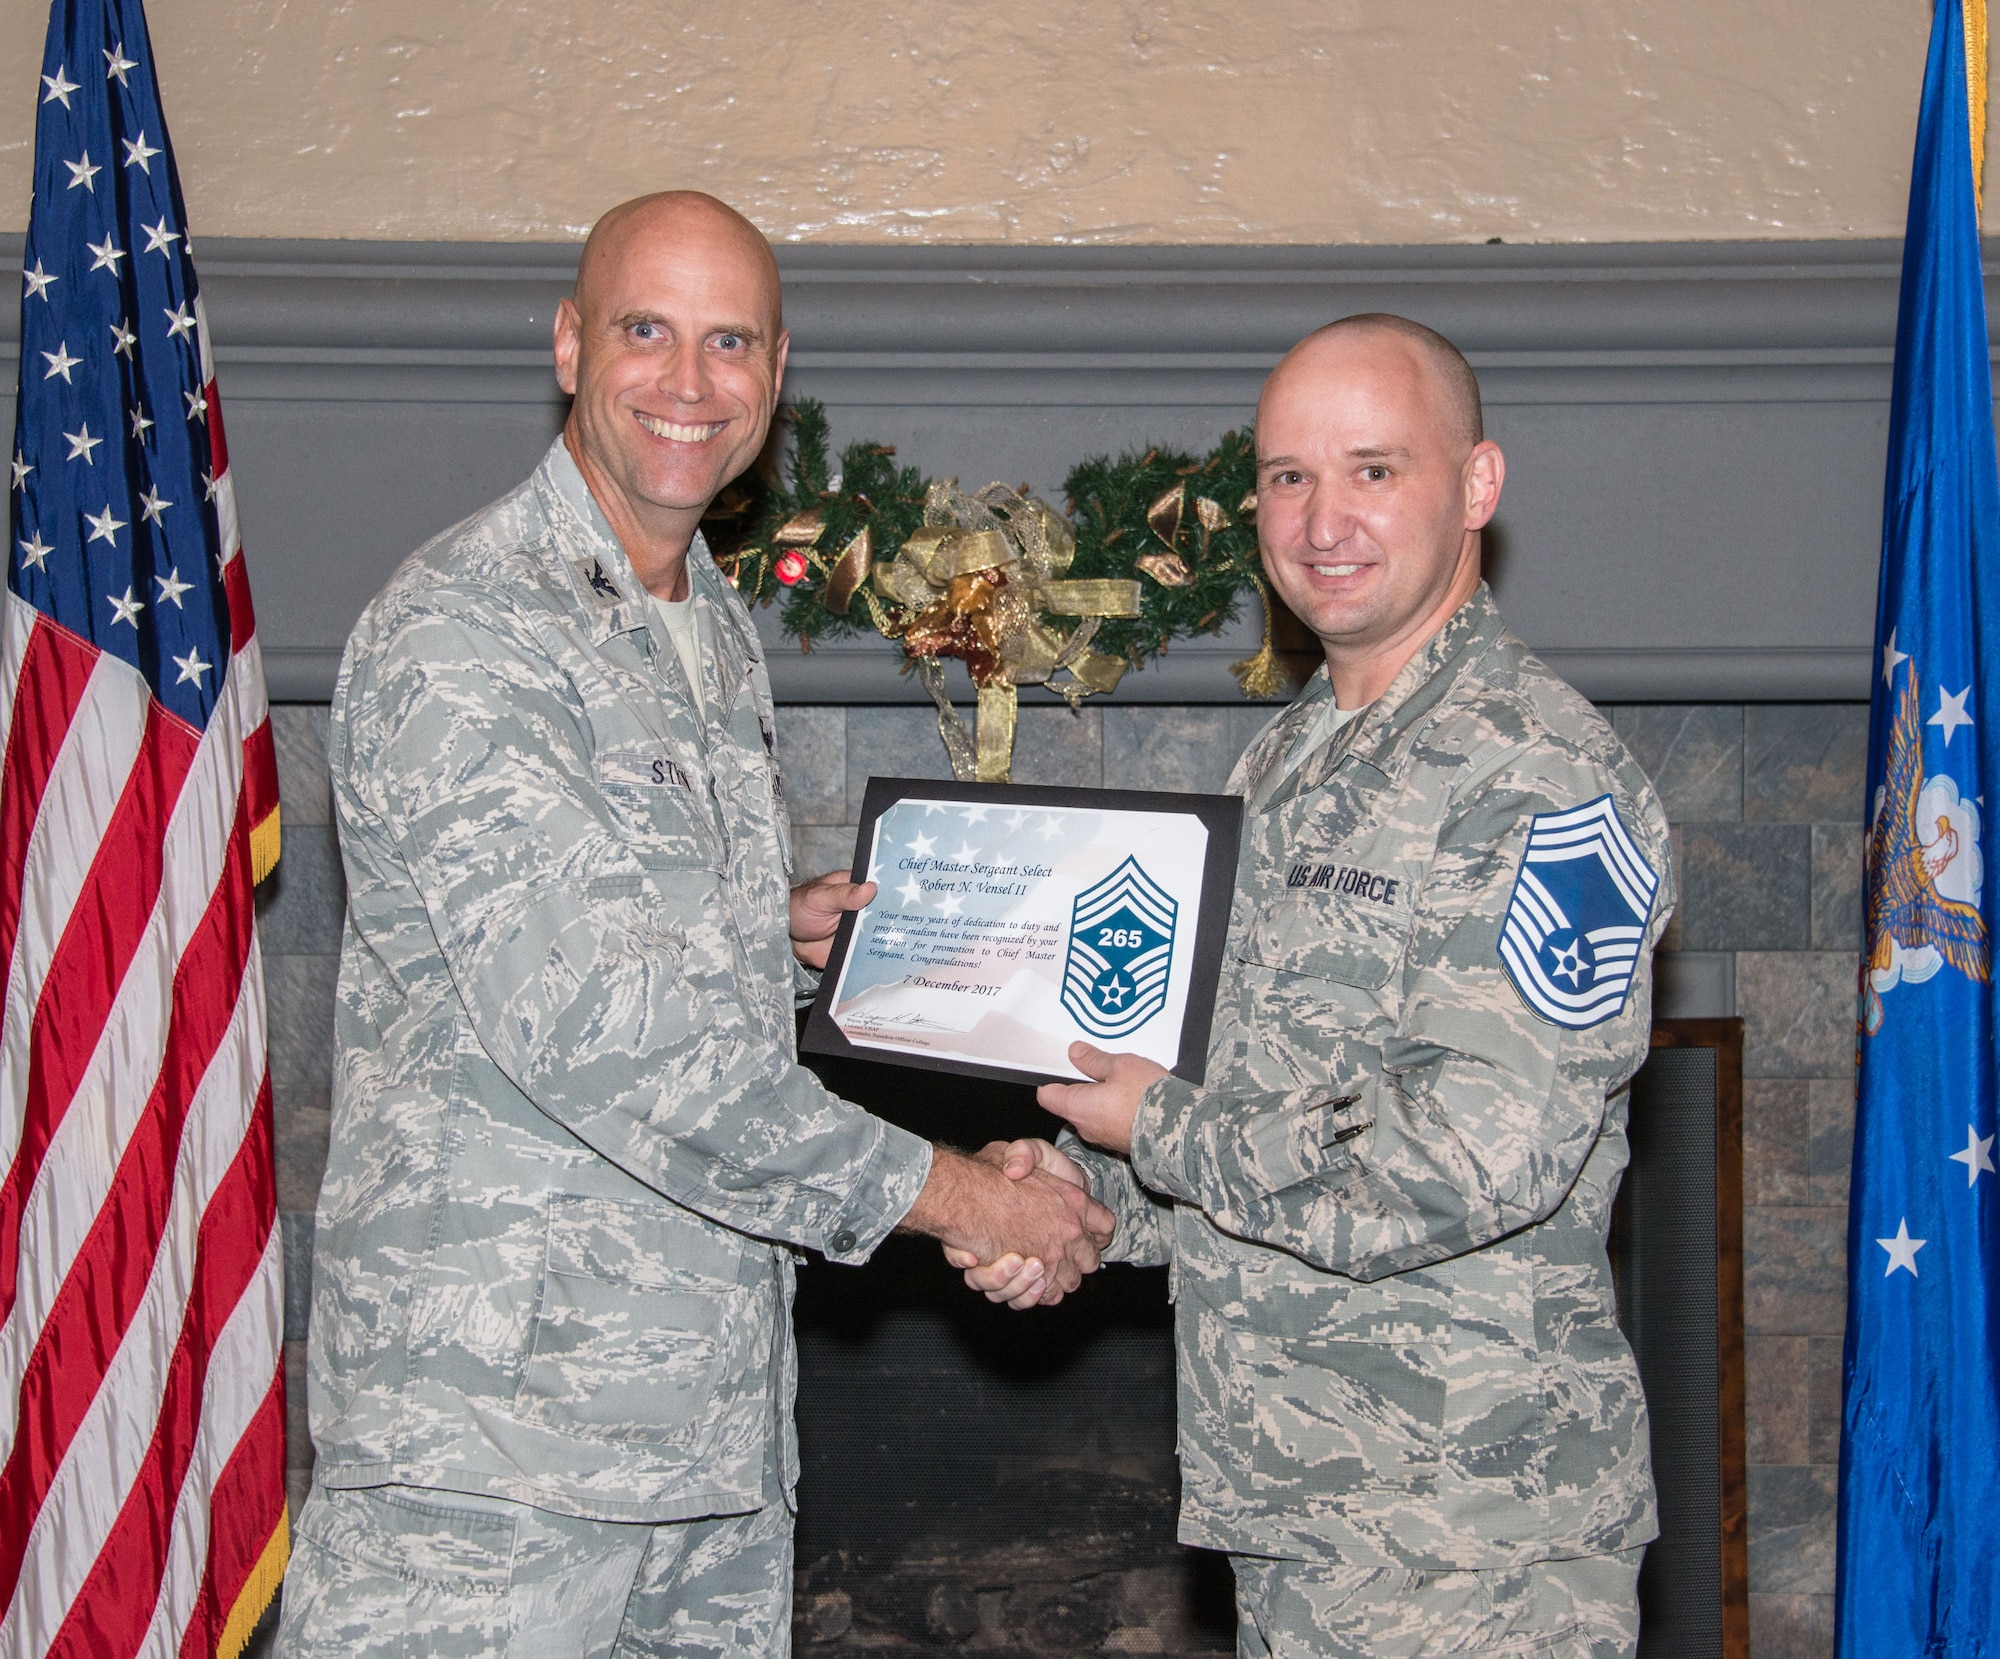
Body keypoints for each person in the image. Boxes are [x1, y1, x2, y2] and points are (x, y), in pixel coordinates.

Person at [277, 191, 1113, 1657]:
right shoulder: (470, 627)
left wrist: (758, 926)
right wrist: (979, 1202)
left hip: (703, 1439)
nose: (688, 381)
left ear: (776, 376)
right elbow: (614, 1042)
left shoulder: (701, 621)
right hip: (501, 1465)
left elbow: (615, 932)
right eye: (644, 330)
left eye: (729, 341)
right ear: (567, 345)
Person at [960, 315, 1675, 1659]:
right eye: (1288, 477)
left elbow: (1476, 1153)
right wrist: (1073, 1196)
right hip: (1300, 1517)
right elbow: (1248, 1103)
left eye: (1374, 470)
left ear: (1476, 488)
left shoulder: (1541, 780)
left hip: (1475, 1542)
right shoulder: (1286, 767)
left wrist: (1151, 1134)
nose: (1322, 519)